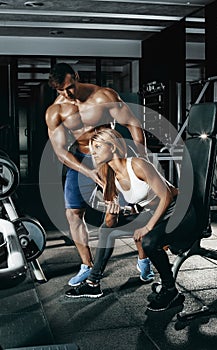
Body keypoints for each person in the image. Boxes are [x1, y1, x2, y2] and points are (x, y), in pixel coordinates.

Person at [65, 128, 198, 311]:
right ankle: (93, 283)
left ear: (112, 147)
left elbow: (166, 196)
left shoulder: (137, 165)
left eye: (97, 146)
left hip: (180, 210)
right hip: (154, 214)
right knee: (106, 230)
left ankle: (170, 290)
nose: (92, 152)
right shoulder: (108, 175)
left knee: (148, 241)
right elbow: (110, 224)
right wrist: (113, 212)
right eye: (91, 148)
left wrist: (147, 227)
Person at [45, 62, 148, 287]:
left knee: (126, 210)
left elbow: (132, 123)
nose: (67, 93)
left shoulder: (103, 97)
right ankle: (87, 265)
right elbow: (60, 150)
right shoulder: (56, 111)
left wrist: (142, 157)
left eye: (70, 86)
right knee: (73, 213)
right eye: (61, 90)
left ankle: (143, 258)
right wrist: (88, 172)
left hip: (111, 156)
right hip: (81, 159)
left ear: (77, 76)